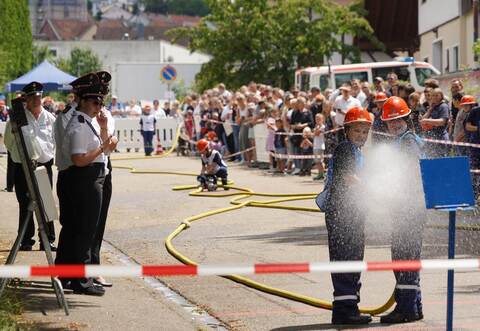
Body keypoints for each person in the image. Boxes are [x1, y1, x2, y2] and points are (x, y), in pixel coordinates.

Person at [61, 76, 117, 296]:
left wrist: (104, 136)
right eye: (95, 102)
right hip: (84, 178)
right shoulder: (79, 124)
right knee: (84, 231)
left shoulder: (88, 121)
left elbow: (103, 149)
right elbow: (79, 159)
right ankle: (81, 281)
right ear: (83, 100)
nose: (99, 107)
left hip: (92, 176)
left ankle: (74, 277)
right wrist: (103, 147)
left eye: (101, 103)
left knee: (84, 230)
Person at [324, 106, 372, 325]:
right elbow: (348, 177)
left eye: (365, 131)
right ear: (347, 131)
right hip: (342, 214)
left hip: (351, 213)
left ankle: (349, 306)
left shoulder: (356, 151)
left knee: (353, 258)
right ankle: (344, 310)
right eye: (357, 131)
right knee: (345, 258)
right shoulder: (345, 149)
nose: (361, 135)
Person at [380, 96, 425, 324]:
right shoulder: (403, 141)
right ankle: (414, 307)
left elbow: (411, 173)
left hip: (409, 208)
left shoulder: (408, 142)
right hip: (405, 207)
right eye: (390, 122)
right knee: (404, 256)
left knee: (403, 257)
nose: (395, 124)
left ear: (407, 118)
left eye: (398, 120)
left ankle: (406, 308)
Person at [4, 81, 57, 251]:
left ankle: (48, 240)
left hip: (44, 164)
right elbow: (8, 141)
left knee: (46, 202)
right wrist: (18, 156)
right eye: (32, 97)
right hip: (23, 165)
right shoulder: (18, 116)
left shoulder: (49, 118)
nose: (36, 100)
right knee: (25, 202)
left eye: (39, 96)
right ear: (26, 99)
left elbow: (55, 139)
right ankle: (26, 239)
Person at [420, 88, 450, 157]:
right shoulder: (433, 107)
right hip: (433, 137)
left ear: (441, 96)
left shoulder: (443, 106)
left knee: (442, 159)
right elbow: (422, 120)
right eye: (433, 95)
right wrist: (430, 110)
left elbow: (442, 121)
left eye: (437, 95)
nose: (434, 97)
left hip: (441, 137)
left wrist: (427, 121)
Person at [313, 113, 326, 180]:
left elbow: (316, 134)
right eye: (316, 118)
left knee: (320, 161)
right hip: (316, 146)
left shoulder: (323, 127)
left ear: (322, 119)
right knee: (317, 161)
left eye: (319, 119)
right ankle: (320, 174)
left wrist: (316, 129)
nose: (317, 120)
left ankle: (322, 174)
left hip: (320, 146)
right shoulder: (316, 127)